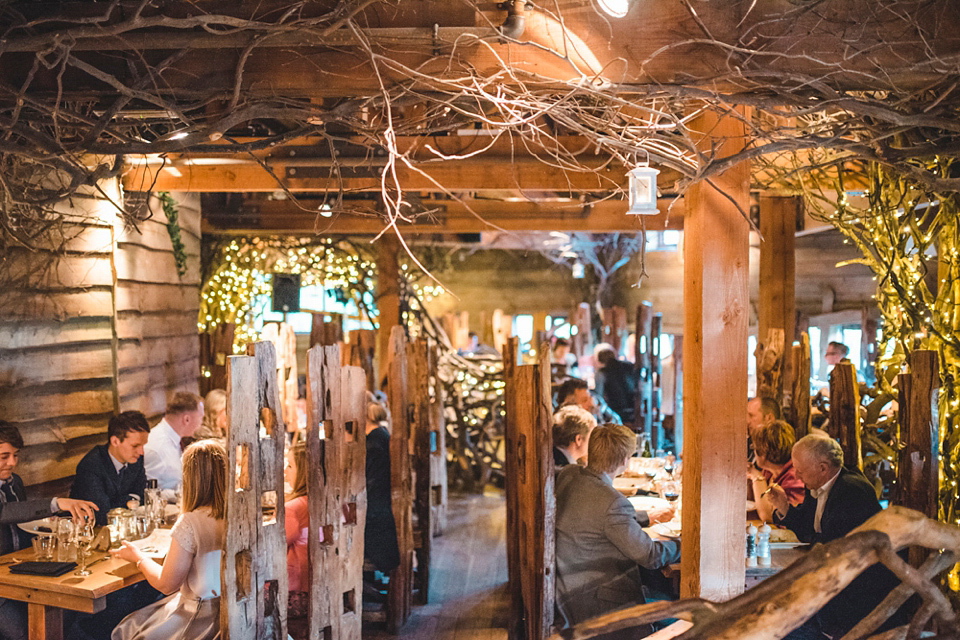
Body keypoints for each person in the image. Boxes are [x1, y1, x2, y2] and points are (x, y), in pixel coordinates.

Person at [768, 434, 903, 639]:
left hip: (859, 589)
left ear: (822, 468)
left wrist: (814, 541)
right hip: (837, 577)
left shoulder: (852, 491)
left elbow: (832, 545)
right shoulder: (817, 484)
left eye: (800, 470)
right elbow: (809, 528)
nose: (796, 475)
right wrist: (784, 508)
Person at [555, 423, 681, 637]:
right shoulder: (612, 503)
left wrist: (646, 517)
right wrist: (685, 544)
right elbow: (650, 556)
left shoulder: (570, 474)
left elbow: (594, 515)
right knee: (682, 610)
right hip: (600, 604)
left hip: (569, 589)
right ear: (624, 461)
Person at [111, 440, 227, 640]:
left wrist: (138, 558)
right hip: (233, 613)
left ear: (191, 478)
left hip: (201, 620)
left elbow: (167, 585)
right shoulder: (240, 515)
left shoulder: (191, 522)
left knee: (126, 629)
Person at [0, 422, 98, 640]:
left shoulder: (14, 482)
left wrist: (48, 522)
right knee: (27, 632)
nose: (12, 463)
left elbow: (19, 521)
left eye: (15, 455)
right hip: (3, 585)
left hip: (18, 571)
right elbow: (4, 512)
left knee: (66, 611)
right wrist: (56, 502)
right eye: (4, 456)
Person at [71, 411, 150, 526]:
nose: (141, 452)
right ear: (115, 441)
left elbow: (142, 496)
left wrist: (121, 502)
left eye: (143, 445)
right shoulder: (91, 465)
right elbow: (102, 514)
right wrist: (129, 500)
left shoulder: (135, 459)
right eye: (135, 446)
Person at [364, 403, 400, 580]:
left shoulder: (373, 442)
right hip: (381, 501)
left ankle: (365, 580)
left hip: (377, 508)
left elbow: (370, 478)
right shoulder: (381, 435)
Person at [144, 392, 204, 497]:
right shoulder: (156, 447)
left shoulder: (176, 439)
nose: (201, 424)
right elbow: (147, 491)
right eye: (201, 418)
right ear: (186, 419)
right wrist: (182, 495)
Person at [747, 420, 804, 522]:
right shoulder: (770, 472)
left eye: (754, 448)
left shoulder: (795, 477)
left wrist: (757, 478)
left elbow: (770, 516)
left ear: (763, 453)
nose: (754, 452)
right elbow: (756, 501)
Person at [284, 442, 309, 622]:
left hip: (298, 594)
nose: (285, 470)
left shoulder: (293, 508)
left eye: (291, 465)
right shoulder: (329, 502)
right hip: (326, 587)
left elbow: (277, 543)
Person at [593, 344, 638, 424]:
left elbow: (599, 396)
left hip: (616, 412)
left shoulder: (602, 373)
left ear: (599, 360)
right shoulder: (629, 366)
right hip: (634, 409)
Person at [556, 377, 621, 425]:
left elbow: (617, 422)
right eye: (584, 400)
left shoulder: (598, 406)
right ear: (569, 407)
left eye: (590, 398)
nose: (591, 404)